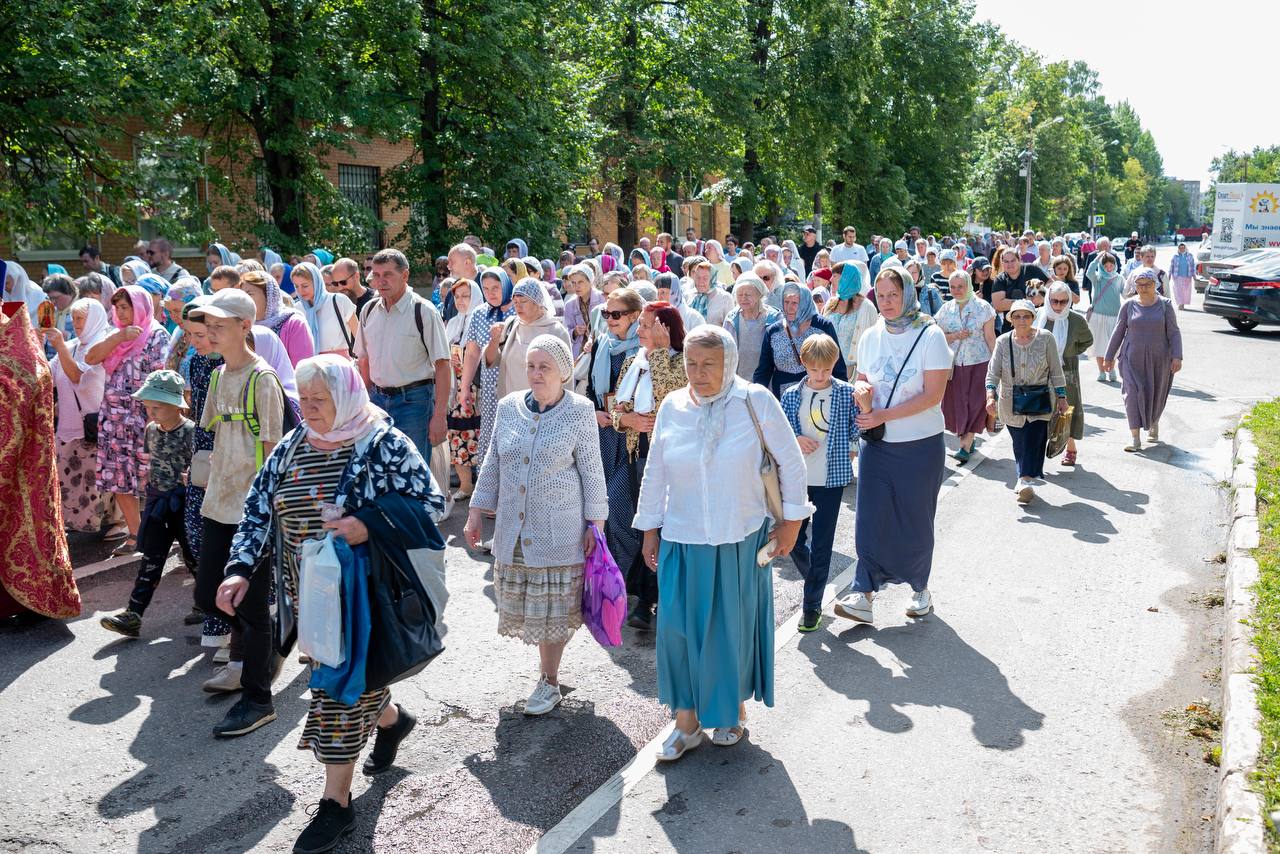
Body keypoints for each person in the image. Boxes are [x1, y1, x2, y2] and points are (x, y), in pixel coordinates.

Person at [218, 355, 446, 854]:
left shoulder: (382, 444)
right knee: (355, 680)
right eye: (304, 400)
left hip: (365, 598)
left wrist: (369, 524)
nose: (310, 409)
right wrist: (238, 569)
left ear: (344, 394)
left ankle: (335, 804)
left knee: (339, 692)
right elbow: (258, 508)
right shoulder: (294, 444)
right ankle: (393, 720)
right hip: (310, 600)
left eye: (319, 400)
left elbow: (432, 505)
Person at [634, 325, 810, 759]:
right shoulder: (673, 407)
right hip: (682, 536)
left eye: (708, 364)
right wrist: (650, 528)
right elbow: (655, 470)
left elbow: (789, 460)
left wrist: (792, 522)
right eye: (691, 363)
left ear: (729, 363)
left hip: (740, 538)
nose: (698, 373)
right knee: (677, 631)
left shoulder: (754, 401)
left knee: (728, 631)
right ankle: (686, 723)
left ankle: (730, 710)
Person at [465, 335, 607, 715]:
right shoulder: (509, 407)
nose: (535, 373)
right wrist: (476, 510)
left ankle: (549, 681)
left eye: (544, 367)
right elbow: (493, 462)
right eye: (530, 366)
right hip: (514, 528)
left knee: (552, 610)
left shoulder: (579, 411)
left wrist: (597, 526)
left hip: (559, 530)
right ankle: (549, 672)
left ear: (563, 371)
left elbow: (593, 472)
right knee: (537, 609)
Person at [188, 287, 288, 730]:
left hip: (251, 512)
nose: (210, 333)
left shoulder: (262, 380)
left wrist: (264, 509)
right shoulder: (216, 377)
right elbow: (213, 434)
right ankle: (253, 658)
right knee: (209, 590)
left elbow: (271, 448)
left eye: (219, 325)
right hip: (218, 502)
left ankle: (258, 698)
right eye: (208, 325)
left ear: (245, 327)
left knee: (248, 607)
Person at [832, 266, 952, 625]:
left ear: (908, 294)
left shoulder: (930, 335)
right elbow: (864, 382)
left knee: (914, 519)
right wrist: (865, 400)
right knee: (870, 518)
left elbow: (934, 395)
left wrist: (885, 414)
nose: (886, 302)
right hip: (878, 445)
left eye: (893, 295)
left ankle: (919, 589)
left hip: (920, 444)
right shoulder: (870, 336)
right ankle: (864, 594)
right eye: (880, 295)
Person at [99, 371, 196, 638]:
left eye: (158, 406)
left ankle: (206, 604)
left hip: (185, 504)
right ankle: (134, 614)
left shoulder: (191, 432)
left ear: (177, 405)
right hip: (158, 503)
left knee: (194, 557)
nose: (151, 412)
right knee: (151, 559)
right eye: (148, 406)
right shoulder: (151, 430)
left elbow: (198, 466)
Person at [609, 301, 687, 629]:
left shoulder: (682, 360)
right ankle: (643, 591)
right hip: (636, 453)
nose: (639, 330)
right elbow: (616, 408)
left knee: (661, 527)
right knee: (637, 522)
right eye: (640, 324)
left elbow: (669, 391)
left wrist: (660, 349)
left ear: (664, 329)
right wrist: (625, 419)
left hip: (670, 456)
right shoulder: (633, 362)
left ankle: (649, 599)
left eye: (646, 325)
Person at [781, 334, 860, 633]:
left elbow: (855, 422)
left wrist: (853, 443)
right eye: (814, 369)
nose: (820, 375)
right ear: (804, 364)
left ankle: (811, 606)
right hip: (798, 480)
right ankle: (816, 577)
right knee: (794, 541)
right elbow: (780, 433)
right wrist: (796, 439)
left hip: (832, 478)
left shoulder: (845, 392)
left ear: (833, 365)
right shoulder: (790, 396)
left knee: (823, 543)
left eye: (826, 369)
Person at [85, 285, 171, 555]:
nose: (120, 312)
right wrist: (118, 337)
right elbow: (91, 357)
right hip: (114, 419)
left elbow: (161, 377)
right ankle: (136, 534)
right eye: (118, 307)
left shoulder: (157, 335)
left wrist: (154, 416)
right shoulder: (116, 334)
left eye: (126, 307)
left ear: (140, 307)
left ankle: (162, 534)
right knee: (118, 477)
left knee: (154, 479)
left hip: (145, 418)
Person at [354, 249, 451, 456]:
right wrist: (364, 404)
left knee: (413, 472)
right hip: (376, 402)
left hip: (414, 403)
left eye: (388, 274)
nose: (381, 281)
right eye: (376, 275)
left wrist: (440, 415)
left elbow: (443, 365)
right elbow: (364, 360)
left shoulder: (423, 311)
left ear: (405, 275)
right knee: (379, 470)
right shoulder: (368, 310)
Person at [985, 300, 1068, 504]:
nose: (1022, 320)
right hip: (1010, 401)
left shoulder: (1046, 338)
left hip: (1040, 398)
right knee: (1020, 441)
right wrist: (990, 395)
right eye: (1017, 316)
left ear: (1033, 318)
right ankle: (1026, 479)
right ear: (1011, 319)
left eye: (1027, 316)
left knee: (1035, 439)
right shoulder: (1004, 341)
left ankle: (1024, 480)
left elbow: (1056, 370)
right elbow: (993, 372)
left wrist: (1062, 397)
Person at [44, 298, 111, 534]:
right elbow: (46, 374)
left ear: (93, 318)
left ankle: (102, 526)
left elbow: (75, 375)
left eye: (80, 318)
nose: (76, 323)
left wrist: (59, 345)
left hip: (92, 427)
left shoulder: (101, 347)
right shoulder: (71, 345)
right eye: (73, 318)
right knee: (69, 480)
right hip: (67, 425)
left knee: (92, 483)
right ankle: (76, 524)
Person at [1104, 268, 1183, 452]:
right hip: (1131, 359)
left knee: (1154, 393)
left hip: (1159, 360)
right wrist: (1109, 357)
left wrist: (1177, 356)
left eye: (1148, 284)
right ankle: (1135, 438)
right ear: (1134, 285)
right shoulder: (1129, 305)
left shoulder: (1165, 305)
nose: (1143, 288)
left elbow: (1173, 332)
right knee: (1131, 394)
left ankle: (1153, 421)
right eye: (1139, 284)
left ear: (1156, 284)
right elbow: (1118, 331)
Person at [935, 269, 996, 463]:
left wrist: (997, 364)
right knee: (957, 404)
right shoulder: (946, 309)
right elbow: (937, 336)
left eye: (960, 286)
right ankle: (967, 439)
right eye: (953, 287)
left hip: (980, 362)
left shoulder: (983, 307)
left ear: (968, 285)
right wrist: (954, 336)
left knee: (977, 403)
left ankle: (966, 443)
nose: (956, 290)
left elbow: (990, 337)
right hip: (954, 364)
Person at [458, 268, 514, 465]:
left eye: (496, 287)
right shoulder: (479, 313)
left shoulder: (519, 309)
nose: (491, 293)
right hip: (489, 386)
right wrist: (464, 388)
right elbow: (472, 353)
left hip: (515, 383)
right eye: (486, 288)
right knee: (491, 433)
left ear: (506, 285)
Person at [753, 282, 847, 398]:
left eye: (794, 303)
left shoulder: (823, 326)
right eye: (786, 302)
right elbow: (764, 370)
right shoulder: (773, 331)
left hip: (819, 392)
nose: (789, 308)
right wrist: (756, 396)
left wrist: (842, 394)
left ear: (804, 303)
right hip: (783, 395)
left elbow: (837, 363)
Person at [1034, 282, 1093, 466]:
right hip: (1040, 371)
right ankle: (1036, 452)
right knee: (1039, 411)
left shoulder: (1076, 320)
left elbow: (1087, 341)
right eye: (1054, 301)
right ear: (1047, 299)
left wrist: (1069, 351)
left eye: (1063, 302)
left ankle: (1070, 446)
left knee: (1067, 409)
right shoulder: (1038, 316)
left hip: (1067, 371)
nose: (1058, 306)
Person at [445, 280, 483, 500]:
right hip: (455, 388)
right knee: (458, 434)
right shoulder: (453, 323)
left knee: (479, 435)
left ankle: (484, 488)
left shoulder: (481, 321)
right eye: (457, 297)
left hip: (477, 387)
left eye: (465, 296)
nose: (460, 301)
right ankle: (465, 485)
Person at [238, 269, 315, 366]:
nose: (244, 299)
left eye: (249, 294)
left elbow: (302, 367)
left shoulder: (293, 323)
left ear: (268, 296)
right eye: (242, 294)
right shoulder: (243, 325)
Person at [824, 261, 878, 378]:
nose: (830, 280)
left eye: (835, 276)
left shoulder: (867, 307)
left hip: (853, 375)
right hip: (826, 371)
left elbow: (874, 341)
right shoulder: (830, 303)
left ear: (846, 279)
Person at [292, 262, 356, 357]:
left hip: (339, 365)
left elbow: (359, 336)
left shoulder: (339, 301)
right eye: (296, 286)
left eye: (305, 286)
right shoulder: (297, 309)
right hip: (310, 366)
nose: (300, 291)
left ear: (317, 282)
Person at [723, 274, 779, 381]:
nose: (743, 298)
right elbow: (724, 351)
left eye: (748, 295)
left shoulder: (774, 318)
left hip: (768, 381)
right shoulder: (731, 319)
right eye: (739, 295)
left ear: (759, 294)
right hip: (739, 381)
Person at [1086, 252, 1124, 382]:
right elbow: (1089, 272)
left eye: (1111, 265)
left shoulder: (1119, 278)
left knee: (1113, 346)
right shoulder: (1098, 278)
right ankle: (1101, 372)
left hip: (1115, 317)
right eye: (1106, 265)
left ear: (1115, 265)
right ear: (1102, 266)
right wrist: (1097, 258)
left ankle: (1111, 369)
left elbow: (1125, 294)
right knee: (1099, 346)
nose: (1109, 268)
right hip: (1098, 316)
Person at [562, 264, 603, 360]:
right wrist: (575, 332)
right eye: (573, 283)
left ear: (590, 281)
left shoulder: (602, 298)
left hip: (599, 349)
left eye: (580, 282)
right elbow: (565, 330)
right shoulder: (569, 304)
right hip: (579, 353)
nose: (577, 286)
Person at [686, 258, 734, 327]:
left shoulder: (725, 298)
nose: (700, 281)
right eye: (698, 277)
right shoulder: (688, 295)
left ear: (712, 279)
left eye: (705, 278)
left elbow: (730, 327)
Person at [41, 274, 78, 338]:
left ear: (70, 293)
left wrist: (69, 336)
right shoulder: (50, 311)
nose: (53, 302)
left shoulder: (82, 311)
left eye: (56, 298)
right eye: (50, 298)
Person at [1168, 242, 1196, 309]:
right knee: (1178, 290)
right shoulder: (1175, 256)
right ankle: (1180, 304)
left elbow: (1193, 266)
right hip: (1177, 276)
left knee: (1185, 291)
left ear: (1185, 248)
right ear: (1178, 248)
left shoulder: (1190, 255)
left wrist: (1194, 276)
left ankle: (1183, 303)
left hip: (1187, 276)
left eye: (1183, 248)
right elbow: (1171, 266)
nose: (1181, 249)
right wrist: (1169, 274)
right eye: (1180, 248)